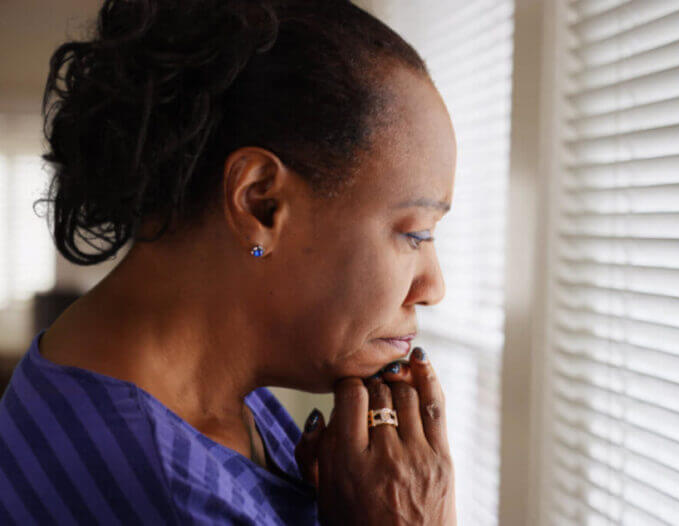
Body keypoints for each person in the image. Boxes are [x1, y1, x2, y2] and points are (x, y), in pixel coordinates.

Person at [0, 0, 458, 523]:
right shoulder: (171, 496)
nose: (433, 286)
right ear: (260, 203)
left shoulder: (186, 391)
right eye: (416, 233)